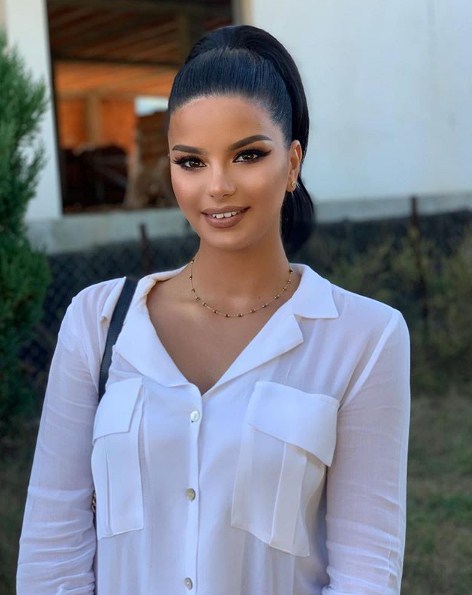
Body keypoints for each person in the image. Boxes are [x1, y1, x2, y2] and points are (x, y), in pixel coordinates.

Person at [17, 25, 410, 595]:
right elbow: (52, 553)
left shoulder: (365, 338)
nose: (218, 186)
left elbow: (366, 574)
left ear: (293, 162)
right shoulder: (97, 322)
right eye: (191, 161)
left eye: (248, 155)